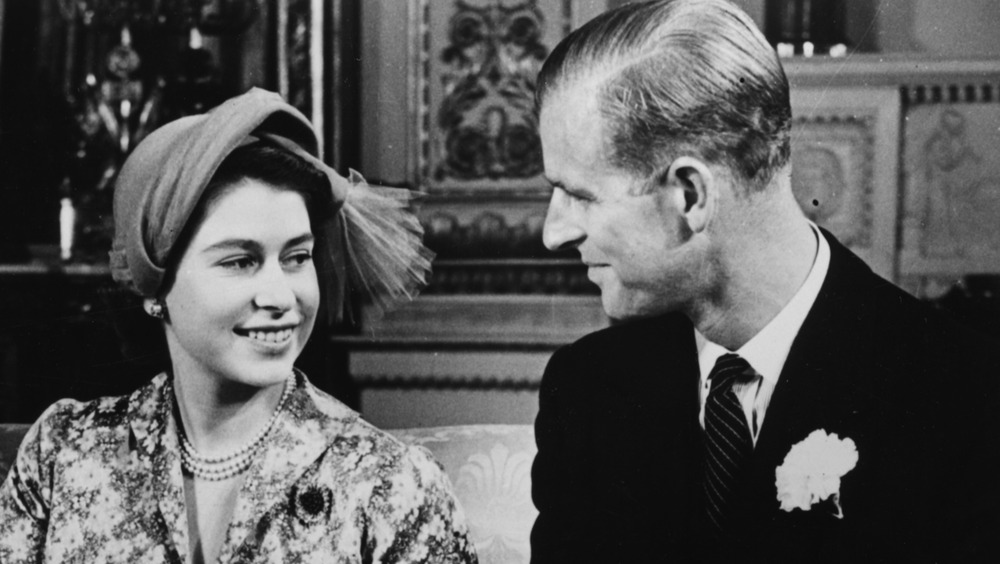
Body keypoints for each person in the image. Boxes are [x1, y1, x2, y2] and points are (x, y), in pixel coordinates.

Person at [529, 1, 1000, 562]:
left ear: (690, 195)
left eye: (579, 195)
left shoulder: (965, 398)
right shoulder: (587, 390)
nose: (552, 233)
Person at [0, 88, 478, 563]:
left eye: (297, 258)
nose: (281, 296)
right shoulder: (63, 454)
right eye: (240, 261)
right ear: (154, 288)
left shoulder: (389, 485)